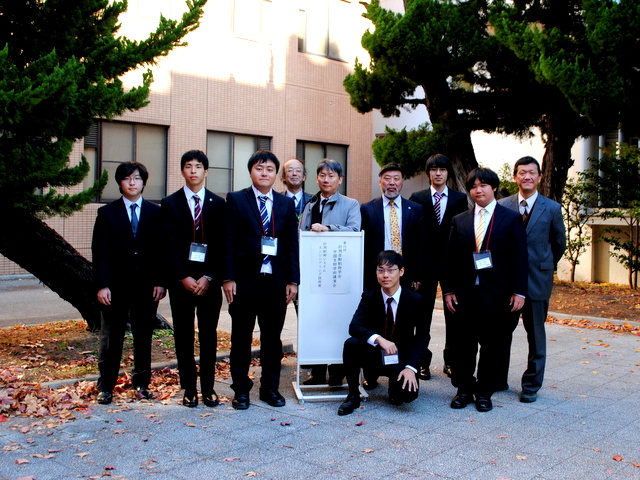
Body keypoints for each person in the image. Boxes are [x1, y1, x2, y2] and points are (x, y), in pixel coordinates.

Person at [442, 167, 528, 412]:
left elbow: (520, 258)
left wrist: (519, 291)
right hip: (465, 295)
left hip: (498, 295)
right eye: (473, 186)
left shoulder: (510, 219)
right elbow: (449, 259)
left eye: (483, 185)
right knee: (463, 345)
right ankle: (463, 389)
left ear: (494, 188)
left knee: (492, 347)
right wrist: (448, 290)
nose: (478, 190)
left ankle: (484, 392)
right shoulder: (460, 220)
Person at [223, 150, 300, 410]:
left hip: (276, 282)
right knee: (241, 338)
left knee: (272, 339)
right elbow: (228, 241)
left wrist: (293, 280)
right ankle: (241, 390)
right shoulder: (236, 199)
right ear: (250, 172)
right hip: (244, 282)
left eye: (269, 169)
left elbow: (291, 244)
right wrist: (228, 277)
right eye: (259, 168)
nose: (264, 173)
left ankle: (270, 388)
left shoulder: (285, 204)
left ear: (276, 174)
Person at [92, 161, 166, 405]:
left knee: (143, 336)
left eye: (137, 178)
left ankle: (142, 384)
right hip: (115, 287)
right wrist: (102, 285)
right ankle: (106, 386)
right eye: (127, 178)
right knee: (111, 337)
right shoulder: (107, 213)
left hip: (147, 287)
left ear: (144, 182)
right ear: (120, 183)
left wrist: (161, 282)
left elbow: (161, 251)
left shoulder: (156, 212)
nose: (132, 183)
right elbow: (100, 252)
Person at [161, 150, 225, 408]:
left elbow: (221, 245)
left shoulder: (218, 203)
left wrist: (209, 276)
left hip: (209, 283)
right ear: (182, 171)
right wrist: (183, 277)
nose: (193, 171)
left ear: (206, 171)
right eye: (188, 166)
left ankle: (208, 388)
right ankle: (189, 388)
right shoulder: (170, 203)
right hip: (182, 283)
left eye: (198, 166)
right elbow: (168, 245)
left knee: (209, 336)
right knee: (183, 336)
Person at [499, 156, 566, 403]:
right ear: (515, 176)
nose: (527, 176)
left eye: (531, 172)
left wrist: (543, 264)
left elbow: (559, 244)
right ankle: (497, 378)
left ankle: (531, 385)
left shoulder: (552, 208)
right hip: (507, 283)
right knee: (501, 333)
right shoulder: (503, 205)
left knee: (536, 336)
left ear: (539, 177)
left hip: (538, 280)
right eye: (522, 172)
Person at [337, 250, 431, 415]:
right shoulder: (369, 296)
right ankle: (353, 395)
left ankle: (395, 386)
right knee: (351, 344)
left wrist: (411, 367)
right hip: (374, 354)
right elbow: (354, 326)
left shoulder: (416, 300)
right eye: (381, 270)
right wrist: (379, 339)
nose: (385, 275)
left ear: (401, 271)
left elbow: (422, 337)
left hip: (400, 356)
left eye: (391, 270)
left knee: (405, 396)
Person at [299, 158, 361, 386]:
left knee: (339, 320)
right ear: (317, 179)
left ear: (340, 179)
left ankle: (337, 372)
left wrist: (329, 229)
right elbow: (301, 235)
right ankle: (317, 371)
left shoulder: (351, 204)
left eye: (331, 176)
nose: (326, 180)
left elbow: (355, 230)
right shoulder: (310, 204)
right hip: (314, 273)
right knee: (316, 320)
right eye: (322, 175)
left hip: (340, 272)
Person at [409, 154, 469, 380]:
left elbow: (462, 233)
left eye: (442, 169)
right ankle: (421, 361)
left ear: (447, 173)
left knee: (453, 315)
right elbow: (414, 234)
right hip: (425, 266)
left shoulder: (459, 199)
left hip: (452, 265)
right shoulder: (418, 198)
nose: (438, 173)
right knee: (422, 316)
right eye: (433, 169)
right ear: (428, 173)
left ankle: (450, 361)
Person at [360, 163, 424, 293]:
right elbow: (363, 245)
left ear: (402, 182)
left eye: (396, 178)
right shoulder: (367, 209)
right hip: (376, 274)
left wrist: (417, 275)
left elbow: (420, 245)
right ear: (380, 182)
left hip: (406, 274)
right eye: (387, 178)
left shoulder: (415, 209)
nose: (392, 183)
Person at [281, 158, 312, 223]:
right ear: (283, 177)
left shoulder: (313, 200)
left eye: (298, 170)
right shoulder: (276, 200)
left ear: (304, 177)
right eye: (290, 170)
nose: (294, 173)